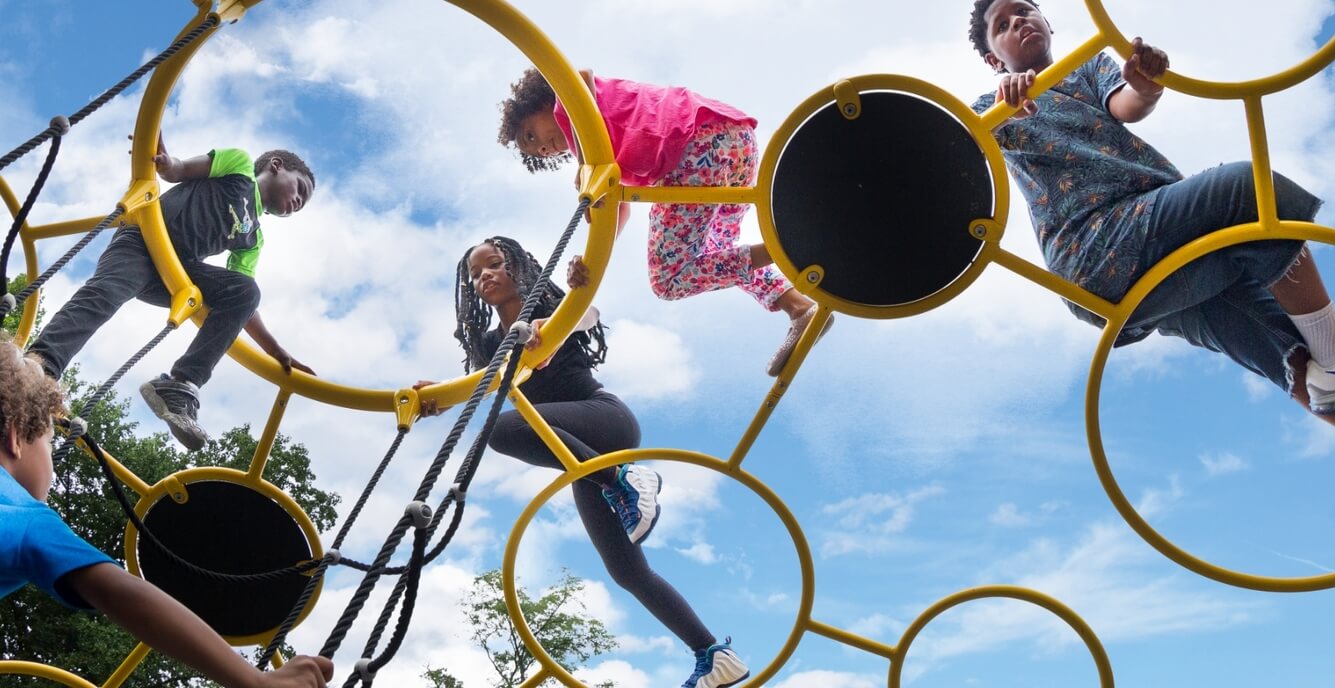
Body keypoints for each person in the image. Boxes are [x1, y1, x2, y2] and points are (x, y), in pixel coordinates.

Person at [968, 0, 1335, 497]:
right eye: (1003, 25)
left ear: (1047, 22)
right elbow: (961, 156)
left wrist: (1144, 83)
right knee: (1247, 191)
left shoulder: (1087, 66)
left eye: (1025, 10)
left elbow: (1127, 103)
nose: (1019, 23)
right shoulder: (991, 111)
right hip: (1096, 251)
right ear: (995, 58)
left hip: (1158, 249)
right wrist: (1003, 104)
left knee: (1285, 349)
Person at [415, 237, 748, 688]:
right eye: (475, 275)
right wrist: (438, 394)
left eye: (493, 265)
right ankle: (713, 654)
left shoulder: (550, 301)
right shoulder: (492, 342)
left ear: (516, 265)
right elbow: (482, 384)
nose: (484, 277)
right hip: (579, 455)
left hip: (604, 421)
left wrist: (566, 307)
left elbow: (587, 315)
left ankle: (625, 481)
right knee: (627, 571)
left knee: (504, 430)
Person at [0, 340, 335, 687]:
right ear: (14, 435)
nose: (52, 463)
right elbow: (118, 591)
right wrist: (255, 680)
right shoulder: (23, 516)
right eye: (48, 443)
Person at [497, 68, 832, 377]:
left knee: (668, 280)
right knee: (720, 254)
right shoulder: (602, 149)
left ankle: (786, 245)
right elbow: (616, 213)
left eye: (530, 135)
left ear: (541, 101)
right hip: (733, 140)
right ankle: (798, 307)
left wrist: (586, 167)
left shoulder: (571, 104)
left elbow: (579, 77)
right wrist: (588, 261)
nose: (541, 148)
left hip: (693, 147)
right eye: (536, 152)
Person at [25, 136, 317, 451]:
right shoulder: (240, 167)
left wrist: (274, 350)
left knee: (245, 291)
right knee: (104, 296)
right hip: (142, 241)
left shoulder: (253, 238)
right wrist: (166, 161)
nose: (299, 202)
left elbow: (242, 303)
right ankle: (42, 365)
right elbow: (179, 171)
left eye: (303, 203)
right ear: (276, 166)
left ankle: (180, 385)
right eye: (300, 188)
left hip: (176, 272)